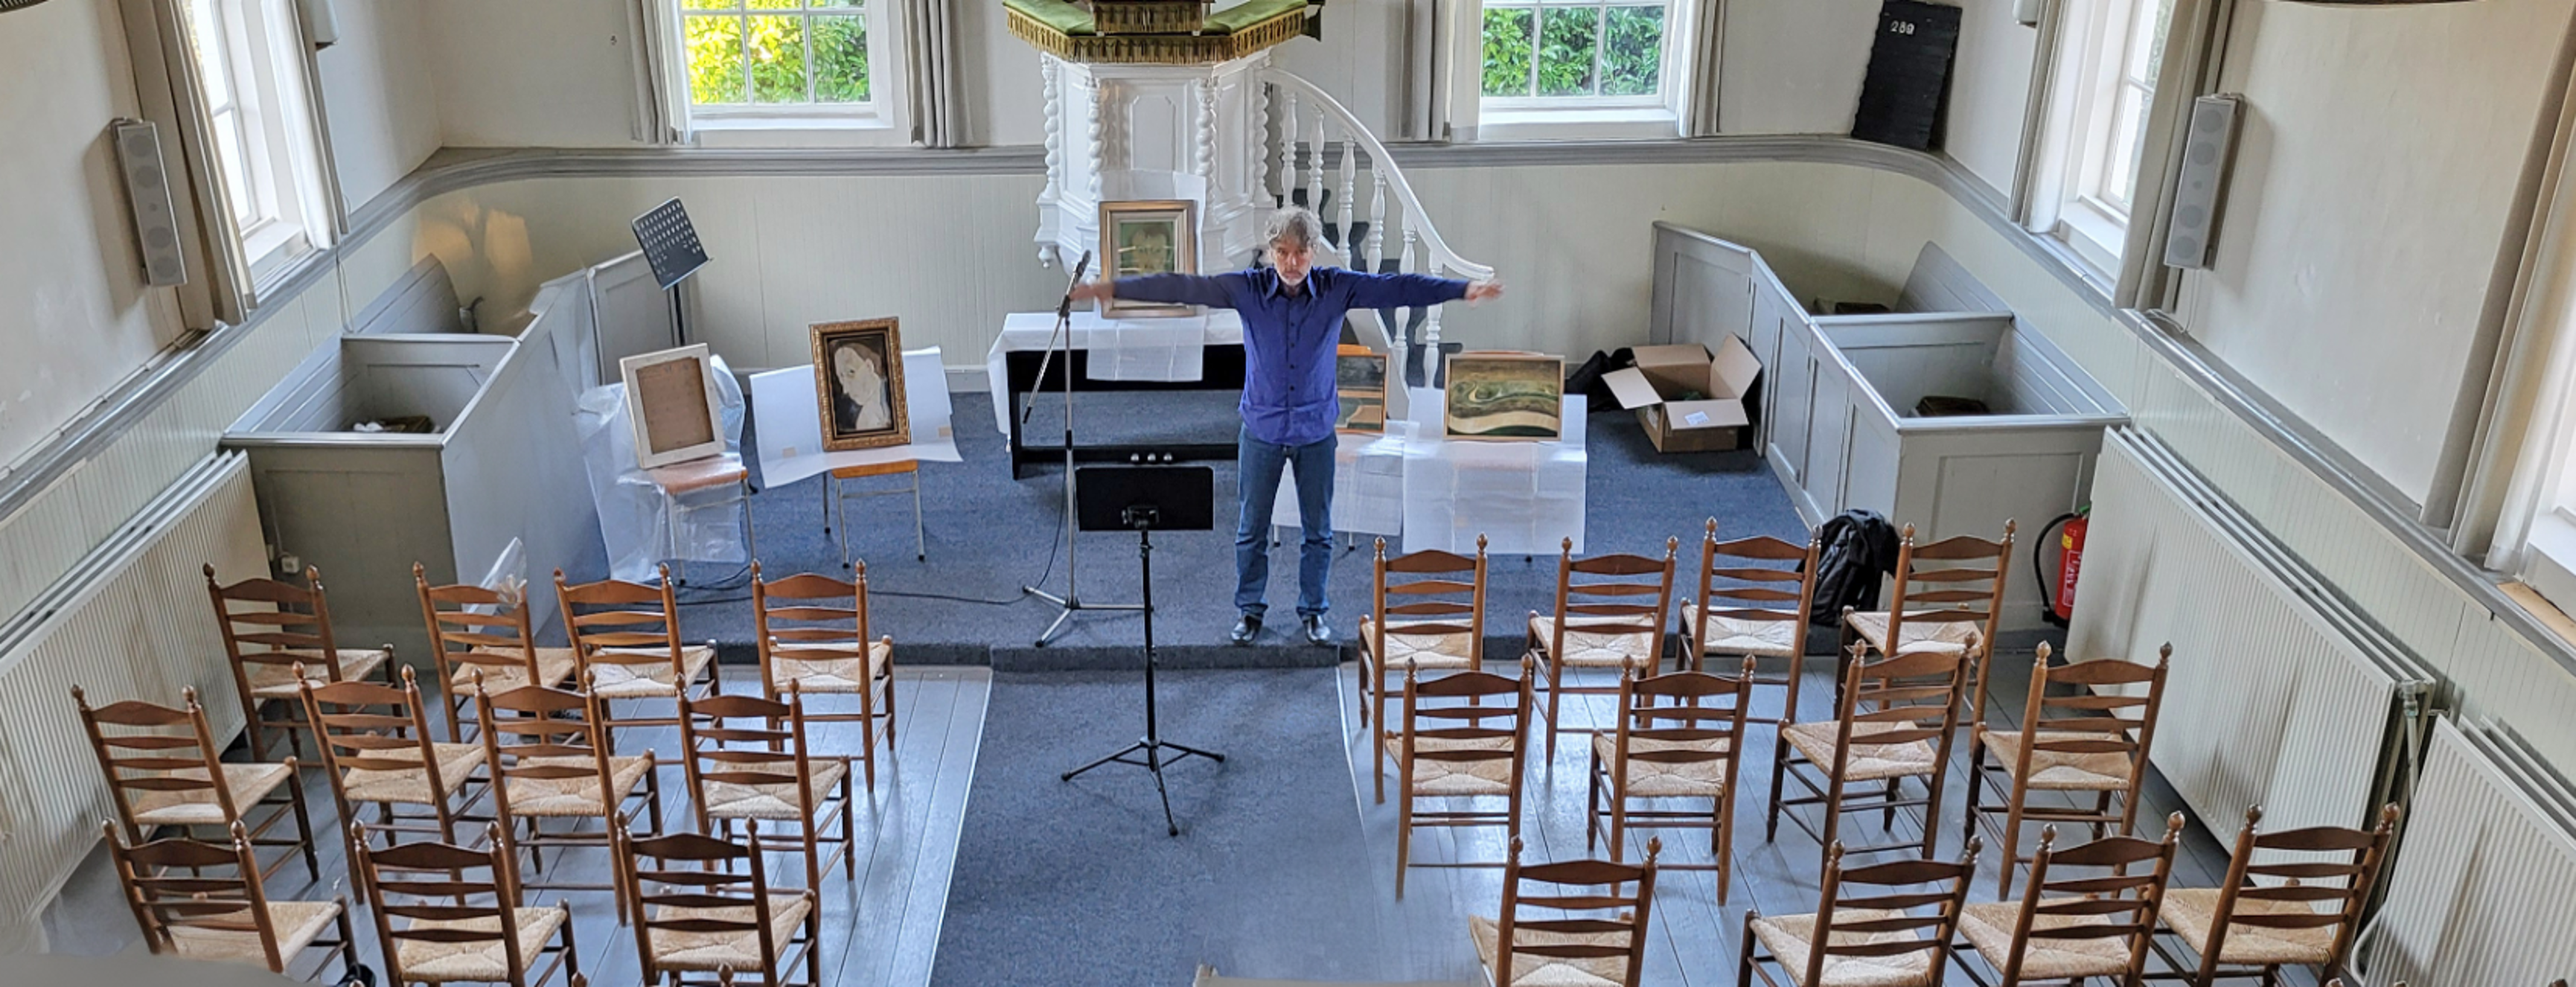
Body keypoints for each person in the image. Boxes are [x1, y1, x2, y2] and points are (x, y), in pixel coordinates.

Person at [1069, 207, 1504, 646]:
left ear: (1314, 251)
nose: (1291, 262)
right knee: (1251, 530)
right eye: (1282, 252)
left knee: (1318, 532)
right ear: (1270, 252)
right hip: (1262, 429)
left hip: (1315, 431)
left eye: (1300, 252)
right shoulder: (1247, 288)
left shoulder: (1337, 287)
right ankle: (1249, 610)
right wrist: (1113, 287)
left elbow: (1398, 287)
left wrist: (1461, 289)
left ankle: (1314, 611)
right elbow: (1183, 286)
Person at [832, 339, 892, 433]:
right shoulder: (864, 422)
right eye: (841, 379)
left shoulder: (895, 395)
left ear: (869, 366)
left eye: (851, 373)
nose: (846, 390)